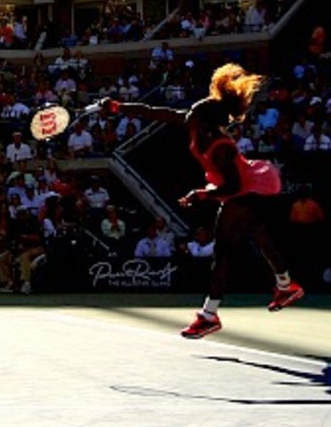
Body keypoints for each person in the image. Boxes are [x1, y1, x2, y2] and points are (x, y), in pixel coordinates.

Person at [100, 63, 304, 338]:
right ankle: (286, 285)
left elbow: (234, 184)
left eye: (193, 115)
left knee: (222, 253)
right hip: (238, 189)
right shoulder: (196, 123)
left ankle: (209, 316)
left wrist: (202, 194)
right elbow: (156, 112)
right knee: (258, 233)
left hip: (245, 188)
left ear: (205, 122)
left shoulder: (220, 147)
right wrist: (117, 107)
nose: (187, 118)